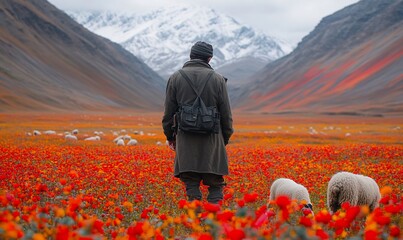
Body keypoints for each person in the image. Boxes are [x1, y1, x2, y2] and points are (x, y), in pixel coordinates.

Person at [162, 41, 233, 204]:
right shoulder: (218, 79)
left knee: (191, 181)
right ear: (209, 58)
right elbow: (226, 114)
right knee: (215, 183)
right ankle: (214, 219)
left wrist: (170, 136)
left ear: (191, 56)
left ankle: (195, 217)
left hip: (186, 138)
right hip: (213, 138)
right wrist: (225, 138)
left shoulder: (175, 78)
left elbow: (168, 113)